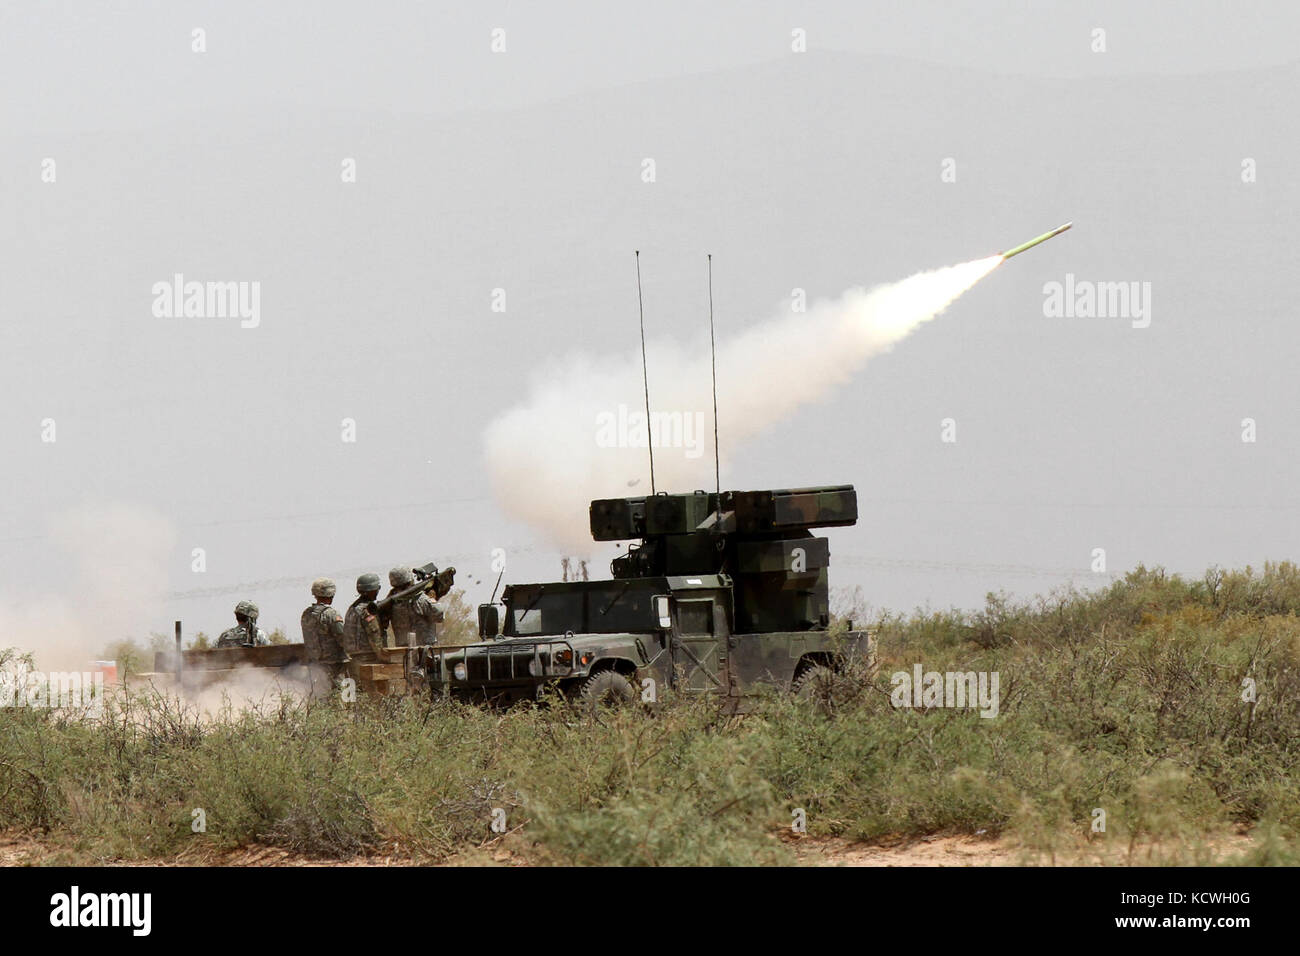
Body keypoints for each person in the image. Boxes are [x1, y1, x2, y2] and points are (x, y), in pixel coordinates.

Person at [300, 577, 348, 692]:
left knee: (319, 694)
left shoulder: (306, 614)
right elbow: (343, 638)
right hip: (334, 665)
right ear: (331, 594)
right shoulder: (331, 614)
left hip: (315, 663)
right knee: (339, 695)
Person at [385, 566, 444, 646]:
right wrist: (432, 598)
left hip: (402, 650)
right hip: (425, 651)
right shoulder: (421, 599)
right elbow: (439, 616)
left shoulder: (391, 603)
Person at [344, 573, 387, 673]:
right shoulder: (367, 610)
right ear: (371, 590)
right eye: (377, 588)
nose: (378, 591)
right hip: (368, 659)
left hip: (354, 658)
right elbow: (374, 634)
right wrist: (384, 657)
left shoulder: (352, 608)